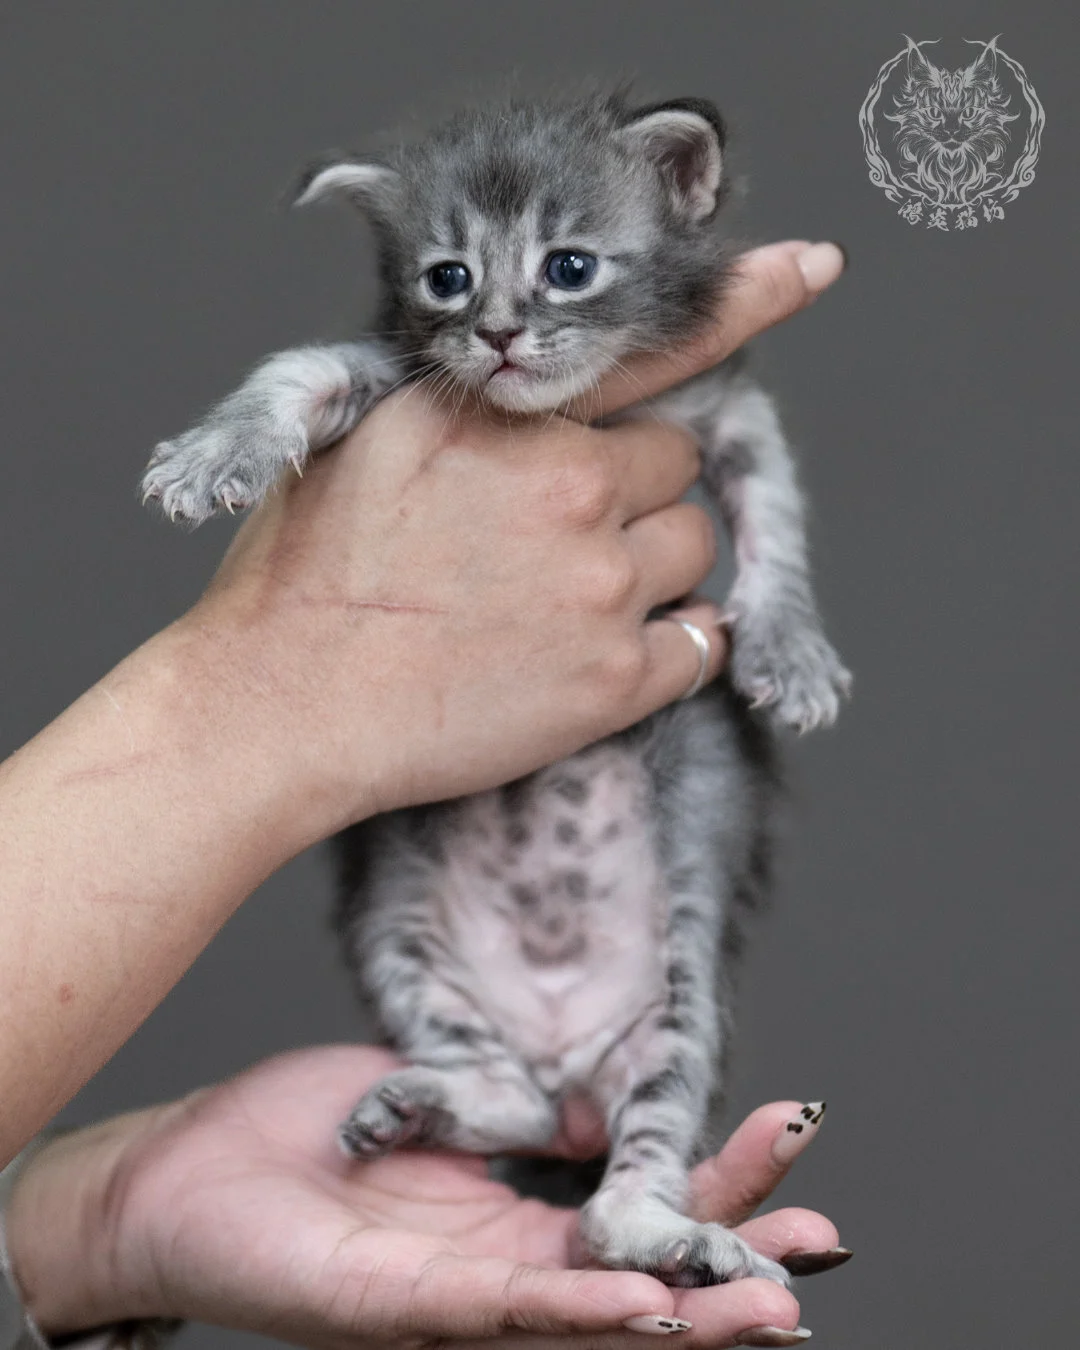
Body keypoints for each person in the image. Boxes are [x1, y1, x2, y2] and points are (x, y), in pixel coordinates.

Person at [0, 242, 849, 1350]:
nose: (502, 317)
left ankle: (621, 1178)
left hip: (605, 882)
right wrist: (263, 675)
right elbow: (321, 374)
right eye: (451, 277)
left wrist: (91, 1223)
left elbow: (736, 438)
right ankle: (518, 1103)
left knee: (670, 989)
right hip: (484, 920)